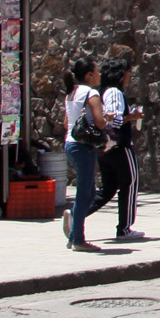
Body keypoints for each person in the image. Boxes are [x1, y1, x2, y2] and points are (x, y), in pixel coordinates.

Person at [85, 58, 144, 242]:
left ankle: (77, 214)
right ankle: (124, 227)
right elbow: (116, 120)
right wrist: (132, 116)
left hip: (105, 148)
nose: (129, 77)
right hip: (120, 146)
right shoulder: (115, 92)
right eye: (128, 73)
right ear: (121, 74)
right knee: (130, 183)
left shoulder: (100, 92)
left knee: (108, 188)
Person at [63, 58, 109, 252]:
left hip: (70, 143)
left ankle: (74, 232)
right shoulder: (92, 93)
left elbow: (67, 123)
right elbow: (99, 122)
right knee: (85, 193)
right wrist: (107, 121)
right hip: (83, 146)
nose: (99, 74)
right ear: (89, 75)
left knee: (89, 191)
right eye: (97, 71)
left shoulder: (71, 93)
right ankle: (78, 239)